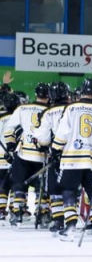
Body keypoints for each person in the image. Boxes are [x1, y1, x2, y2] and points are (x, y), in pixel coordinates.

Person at [50, 79, 92, 240]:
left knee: (68, 191)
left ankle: (71, 225)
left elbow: (62, 132)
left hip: (72, 157)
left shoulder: (71, 108)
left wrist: (55, 149)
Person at [3, 82, 49, 225]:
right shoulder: (51, 110)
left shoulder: (23, 108)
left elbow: (9, 128)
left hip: (23, 153)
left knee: (19, 183)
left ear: (36, 94)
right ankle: (42, 211)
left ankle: (17, 211)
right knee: (40, 185)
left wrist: (11, 146)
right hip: (42, 155)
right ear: (49, 96)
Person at [32, 81, 71, 230]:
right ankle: (72, 220)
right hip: (73, 155)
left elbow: (43, 139)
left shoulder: (47, 112)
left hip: (54, 156)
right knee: (69, 189)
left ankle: (59, 221)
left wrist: (41, 146)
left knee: (55, 189)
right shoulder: (72, 109)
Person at [0, 92, 21, 222]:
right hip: (15, 156)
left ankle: (1, 210)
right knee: (15, 183)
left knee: (2, 184)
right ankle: (15, 208)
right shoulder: (19, 118)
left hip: (1, 157)